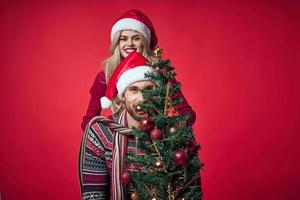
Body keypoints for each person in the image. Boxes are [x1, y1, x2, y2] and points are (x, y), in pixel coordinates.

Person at [79, 52, 201, 199]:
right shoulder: (101, 132)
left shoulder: (176, 133)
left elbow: (192, 193)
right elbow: (93, 196)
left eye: (149, 89)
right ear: (123, 96)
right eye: (134, 90)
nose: (142, 99)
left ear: (159, 94)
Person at [81, 9, 196, 131]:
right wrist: (111, 133)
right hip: (118, 143)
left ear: (144, 42)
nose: (129, 43)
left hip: (155, 143)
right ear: (117, 43)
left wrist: (168, 131)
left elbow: (187, 113)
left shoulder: (160, 72)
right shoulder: (105, 77)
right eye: (123, 39)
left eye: (136, 38)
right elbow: (88, 123)